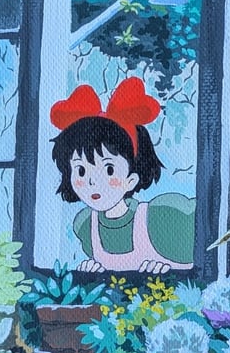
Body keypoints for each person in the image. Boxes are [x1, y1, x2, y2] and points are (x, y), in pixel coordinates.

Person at [50, 77, 195, 273]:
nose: (92, 182)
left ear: (131, 179)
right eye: (81, 170)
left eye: (109, 169)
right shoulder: (86, 226)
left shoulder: (160, 218)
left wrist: (170, 271)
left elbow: (211, 252)